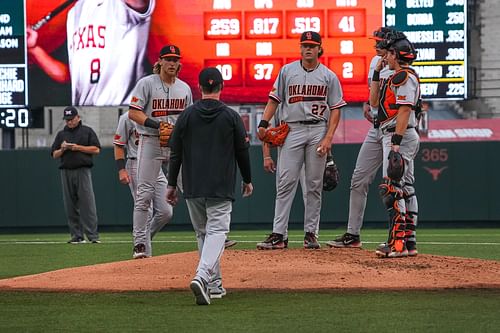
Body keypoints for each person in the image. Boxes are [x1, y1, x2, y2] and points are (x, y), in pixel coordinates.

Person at [166, 67, 253, 305]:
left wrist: (171, 183)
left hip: (193, 184)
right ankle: (202, 276)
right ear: (221, 87)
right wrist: (247, 179)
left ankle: (215, 285)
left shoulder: (186, 115)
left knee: (203, 233)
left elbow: (175, 153)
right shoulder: (231, 116)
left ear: (200, 87)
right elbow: (242, 152)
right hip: (220, 184)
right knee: (217, 232)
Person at [256, 31, 346, 250]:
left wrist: (328, 138)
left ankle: (311, 234)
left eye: (312, 45)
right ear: (300, 48)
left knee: (314, 186)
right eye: (304, 45)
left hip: (317, 129)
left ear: (319, 49)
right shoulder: (287, 71)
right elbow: (273, 100)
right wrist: (263, 123)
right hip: (292, 129)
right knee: (285, 182)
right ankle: (279, 235)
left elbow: (335, 110)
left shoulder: (328, 76)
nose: (308, 49)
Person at [326, 27, 395, 249]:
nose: (375, 45)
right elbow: (373, 95)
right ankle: (352, 235)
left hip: (393, 130)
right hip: (376, 129)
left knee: (395, 184)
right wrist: (368, 103)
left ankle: (399, 237)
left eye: (379, 41)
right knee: (358, 180)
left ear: (390, 44)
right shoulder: (376, 62)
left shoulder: (398, 66)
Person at [127, 44, 193, 259]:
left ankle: (208, 232)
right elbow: (133, 113)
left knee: (192, 190)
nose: (172, 63)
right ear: (160, 61)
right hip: (151, 141)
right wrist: (157, 126)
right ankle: (139, 244)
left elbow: (188, 118)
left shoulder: (184, 88)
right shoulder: (146, 83)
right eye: (168, 59)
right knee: (144, 194)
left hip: (176, 144)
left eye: (175, 59)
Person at [27, 0, 155, 106]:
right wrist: (34, 49)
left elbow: (139, 3)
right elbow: (69, 75)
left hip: (122, 113)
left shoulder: (121, 4)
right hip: (85, 115)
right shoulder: (75, 12)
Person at [369, 35, 420, 258]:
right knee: (405, 188)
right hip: (399, 134)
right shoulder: (397, 75)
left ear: (397, 55)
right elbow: (373, 102)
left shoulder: (403, 76)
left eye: (389, 53)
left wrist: (396, 143)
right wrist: (376, 74)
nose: (386, 56)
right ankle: (408, 242)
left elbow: (405, 110)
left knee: (392, 189)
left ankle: (397, 243)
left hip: (399, 135)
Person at [51, 106, 101, 244]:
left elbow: (96, 149)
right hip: (66, 171)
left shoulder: (87, 131)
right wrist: (63, 148)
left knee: (87, 204)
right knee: (70, 205)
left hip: (82, 170)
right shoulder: (61, 134)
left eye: (71, 119)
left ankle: (93, 236)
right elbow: (54, 154)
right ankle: (76, 236)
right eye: (67, 120)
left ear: (78, 117)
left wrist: (77, 147)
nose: (69, 122)